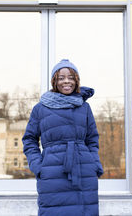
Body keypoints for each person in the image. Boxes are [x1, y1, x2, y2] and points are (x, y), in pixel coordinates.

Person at [22, 59, 104, 216]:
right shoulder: (40, 108)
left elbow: (92, 140)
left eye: (71, 77)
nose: (67, 81)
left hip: (84, 171)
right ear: (54, 81)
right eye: (61, 78)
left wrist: (94, 163)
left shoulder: (84, 107)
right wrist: (38, 166)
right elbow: (29, 139)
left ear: (76, 81)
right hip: (52, 172)